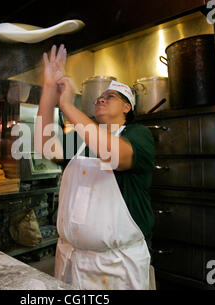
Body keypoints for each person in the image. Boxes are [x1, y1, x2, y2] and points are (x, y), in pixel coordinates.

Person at [35, 44, 155, 290]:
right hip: (70, 260)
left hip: (115, 266)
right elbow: (44, 146)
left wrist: (68, 106)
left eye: (110, 96)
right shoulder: (81, 138)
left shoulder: (138, 134)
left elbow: (114, 154)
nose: (101, 98)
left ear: (126, 107)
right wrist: (48, 88)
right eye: (100, 97)